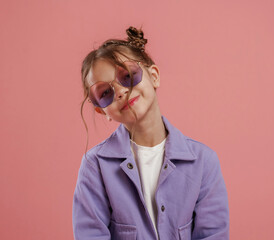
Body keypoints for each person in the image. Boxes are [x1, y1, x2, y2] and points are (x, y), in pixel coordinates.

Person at [72, 26, 229, 240]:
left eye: (127, 76)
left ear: (154, 76)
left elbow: (213, 234)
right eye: (106, 93)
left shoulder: (204, 161)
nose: (121, 92)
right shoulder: (95, 167)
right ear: (102, 110)